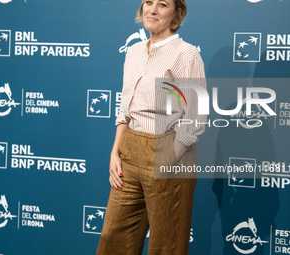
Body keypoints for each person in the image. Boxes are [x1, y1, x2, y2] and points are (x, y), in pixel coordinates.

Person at [96, 0, 206, 254]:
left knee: (166, 245)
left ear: (177, 13)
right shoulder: (133, 51)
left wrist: (167, 156)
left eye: (163, 4)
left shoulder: (186, 54)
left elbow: (196, 118)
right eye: (148, 2)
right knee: (114, 238)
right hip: (130, 148)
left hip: (170, 149)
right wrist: (116, 151)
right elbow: (125, 107)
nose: (153, 10)